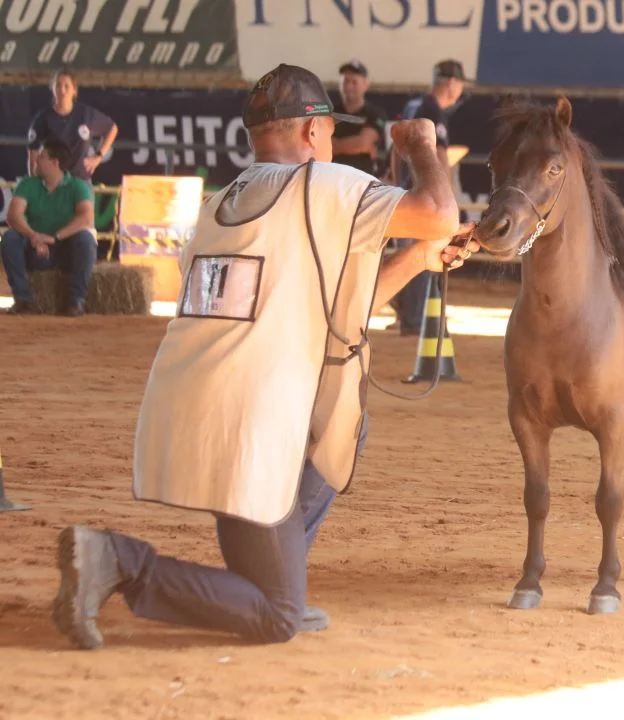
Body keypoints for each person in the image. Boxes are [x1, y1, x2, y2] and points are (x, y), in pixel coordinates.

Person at [49, 63, 478, 650]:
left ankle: (275, 577)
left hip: (187, 411)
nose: (331, 143)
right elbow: (439, 213)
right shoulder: (322, 185)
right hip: (251, 426)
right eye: (330, 131)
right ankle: (119, 561)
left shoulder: (218, 206)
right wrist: (424, 144)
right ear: (311, 131)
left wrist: (417, 260)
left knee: (344, 427)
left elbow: (335, 311)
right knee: (277, 617)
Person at [387, 59, 469, 336]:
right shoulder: (432, 111)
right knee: (424, 255)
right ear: (452, 83)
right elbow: (441, 156)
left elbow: (394, 149)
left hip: (405, 195)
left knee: (407, 254)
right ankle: (414, 321)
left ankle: (407, 316)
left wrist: (397, 185)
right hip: (425, 198)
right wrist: (447, 198)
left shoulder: (413, 106)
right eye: (460, 84)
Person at [2, 138, 97, 316]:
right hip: (33, 247)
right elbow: (13, 216)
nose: (36, 160)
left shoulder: (78, 186)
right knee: (10, 238)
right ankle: (23, 299)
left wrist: (54, 238)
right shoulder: (28, 184)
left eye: (42, 156)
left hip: (64, 248)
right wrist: (34, 236)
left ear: (55, 162)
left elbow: (86, 218)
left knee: (86, 240)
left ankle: (76, 300)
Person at [27, 69, 117, 184]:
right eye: (58, 85)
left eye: (66, 86)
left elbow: (112, 128)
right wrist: (35, 186)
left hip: (80, 181)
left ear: (74, 90)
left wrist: (98, 156)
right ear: (53, 89)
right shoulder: (44, 118)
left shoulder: (85, 113)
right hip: (55, 183)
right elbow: (33, 154)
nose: (62, 90)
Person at [331, 59, 389, 178]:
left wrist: (334, 144)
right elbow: (319, 144)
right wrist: (357, 145)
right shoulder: (330, 113)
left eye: (354, 82)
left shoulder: (375, 114)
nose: (349, 86)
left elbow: (363, 143)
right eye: (345, 81)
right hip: (332, 177)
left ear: (365, 85)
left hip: (363, 179)